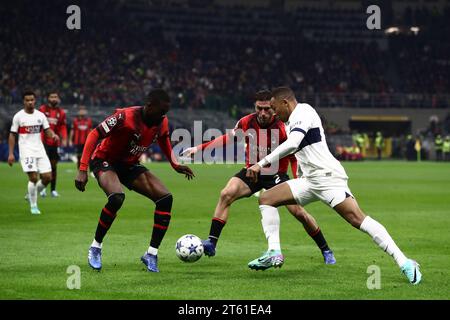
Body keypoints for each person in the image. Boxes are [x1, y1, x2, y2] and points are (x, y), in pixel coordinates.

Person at [246, 87, 421, 285]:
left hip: (328, 178)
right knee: (267, 198)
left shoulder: (304, 111)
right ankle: (274, 252)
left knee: (358, 219)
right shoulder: (288, 121)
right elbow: (304, 151)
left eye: (275, 108)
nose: (274, 113)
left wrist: (260, 164)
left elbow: (294, 144)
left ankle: (405, 263)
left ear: (286, 102)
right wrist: (301, 174)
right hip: (310, 180)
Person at [182, 90, 336, 269]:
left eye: (267, 109)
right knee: (226, 193)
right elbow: (228, 139)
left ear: (273, 107)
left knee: (298, 213)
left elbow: (294, 155)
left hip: (276, 175)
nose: (262, 113)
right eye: (258, 109)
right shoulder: (246, 121)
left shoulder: (284, 126)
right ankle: (211, 242)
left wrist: (297, 178)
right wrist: (199, 148)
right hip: (252, 172)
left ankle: (326, 250)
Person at [74, 89, 194, 272]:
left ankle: (151, 254)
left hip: (129, 164)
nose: (163, 115)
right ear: (149, 106)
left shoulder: (161, 121)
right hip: (104, 160)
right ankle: (95, 247)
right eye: (161, 111)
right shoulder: (125, 116)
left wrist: (175, 165)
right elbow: (94, 134)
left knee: (165, 198)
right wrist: (82, 169)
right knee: (116, 197)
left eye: (166, 112)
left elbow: (164, 140)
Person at [8, 90, 59, 214]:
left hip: (39, 150)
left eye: (32, 100)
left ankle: (31, 194)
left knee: (48, 177)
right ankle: (34, 205)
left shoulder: (40, 116)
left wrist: (53, 135)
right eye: (27, 100)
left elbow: (47, 130)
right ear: (23, 101)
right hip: (26, 151)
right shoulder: (18, 116)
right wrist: (10, 153)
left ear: (35, 101)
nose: (30, 102)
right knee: (33, 178)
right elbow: (12, 135)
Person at [39, 91, 68, 197]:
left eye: (55, 97)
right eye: (52, 97)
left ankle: (53, 190)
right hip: (43, 143)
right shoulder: (42, 110)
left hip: (54, 144)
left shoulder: (61, 113)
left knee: (54, 167)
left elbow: (63, 127)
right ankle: (42, 189)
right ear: (48, 98)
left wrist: (64, 138)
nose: (54, 99)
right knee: (44, 167)